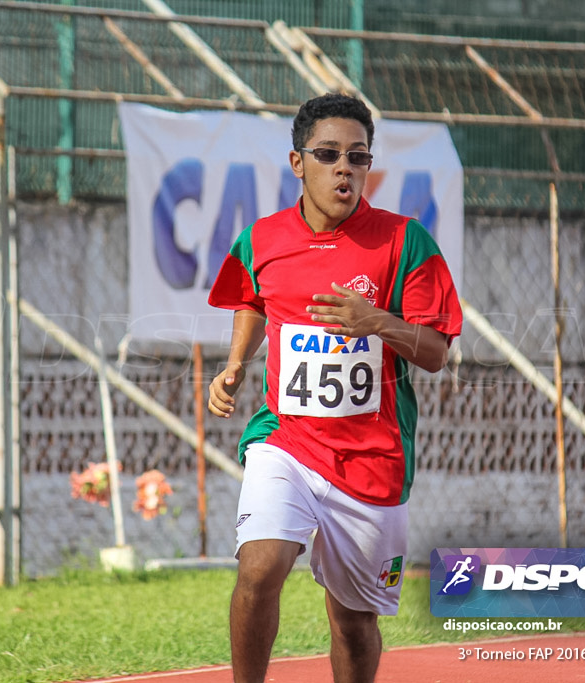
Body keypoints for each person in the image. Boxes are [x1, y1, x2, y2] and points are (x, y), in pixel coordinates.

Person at [207, 93, 463, 683]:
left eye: (358, 156)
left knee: (352, 621)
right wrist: (236, 363)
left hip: (373, 457)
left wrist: (377, 321)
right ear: (298, 163)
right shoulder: (262, 239)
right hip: (286, 439)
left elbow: (436, 353)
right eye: (328, 154)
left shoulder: (405, 242)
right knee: (260, 567)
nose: (344, 168)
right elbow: (249, 297)